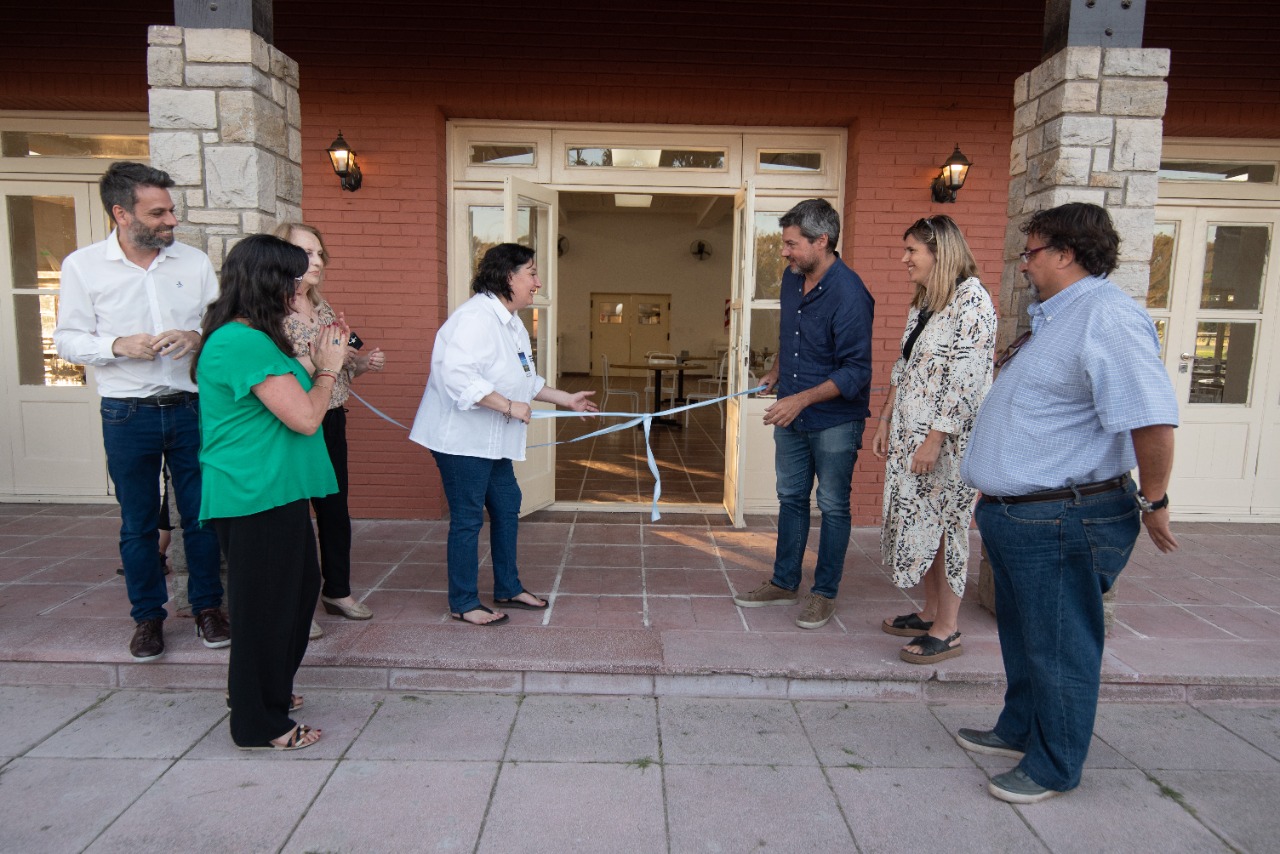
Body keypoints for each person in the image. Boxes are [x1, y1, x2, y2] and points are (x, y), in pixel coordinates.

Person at [957, 202, 1180, 804]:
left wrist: (1155, 500)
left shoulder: (1107, 316)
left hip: (1062, 514)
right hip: (1021, 512)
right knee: (1025, 634)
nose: (1024, 264)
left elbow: (1152, 419)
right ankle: (1020, 727)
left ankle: (1055, 764)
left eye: (1030, 252)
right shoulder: (1058, 318)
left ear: (1066, 253)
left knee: (1059, 643)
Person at [54, 161, 228, 662]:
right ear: (121, 214)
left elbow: (217, 322)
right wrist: (115, 344)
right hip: (126, 412)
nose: (171, 220)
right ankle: (147, 618)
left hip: (191, 408)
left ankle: (207, 610)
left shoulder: (192, 262)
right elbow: (66, 339)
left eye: (171, 210)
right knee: (137, 524)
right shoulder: (83, 266)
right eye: (159, 212)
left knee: (201, 517)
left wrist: (197, 336)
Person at [193, 234, 349, 751]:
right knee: (266, 608)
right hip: (253, 493)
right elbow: (306, 417)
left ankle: (266, 692)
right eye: (292, 277)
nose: (300, 286)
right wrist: (329, 366)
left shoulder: (258, 336)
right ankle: (258, 723)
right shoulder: (241, 341)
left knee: (295, 594)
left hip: (276, 490)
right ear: (269, 281)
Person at [409, 243, 597, 626]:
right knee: (467, 518)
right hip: (462, 441)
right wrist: (509, 407)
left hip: (493, 441)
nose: (538, 282)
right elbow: (458, 377)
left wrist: (565, 399)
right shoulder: (475, 318)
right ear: (507, 276)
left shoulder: (510, 321)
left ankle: (508, 586)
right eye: (531, 273)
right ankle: (463, 602)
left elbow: (524, 378)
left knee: (508, 506)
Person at [732, 199, 874, 629]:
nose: (785, 252)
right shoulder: (793, 281)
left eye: (792, 244)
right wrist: (777, 372)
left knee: (832, 506)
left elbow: (856, 371)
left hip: (834, 420)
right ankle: (783, 581)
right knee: (791, 499)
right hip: (791, 411)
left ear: (822, 241)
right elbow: (790, 334)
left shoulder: (850, 294)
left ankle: (824, 593)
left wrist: (801, 399)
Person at [872, 215, 996, 663]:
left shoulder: (972, 302)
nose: (904, 259)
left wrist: (935, 438)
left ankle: (948, 628)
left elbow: (967, 378)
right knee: (922, 524)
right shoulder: (926, 302)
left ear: (939, 253)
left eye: (912, 251)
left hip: (946, 445)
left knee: (946, 527)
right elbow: (902, 367)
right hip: (911, 437)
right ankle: (929, 612)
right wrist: (886, 418)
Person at [274, 222, 387, 637]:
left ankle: (337, 592)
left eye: (320, 253)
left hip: (332, 418)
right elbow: (279, 377)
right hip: (293, 422)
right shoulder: (268, 313)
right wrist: (328, 361)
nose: (317, 261)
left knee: (335, 512)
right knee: (293, 518)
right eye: (307, 253)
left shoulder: (321, 307)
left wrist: (362, 363)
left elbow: (340, 366)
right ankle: (298, 606)